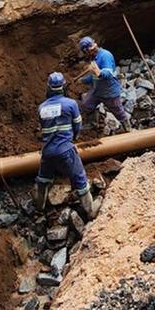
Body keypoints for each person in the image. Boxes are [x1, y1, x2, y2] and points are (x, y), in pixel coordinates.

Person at [34, 72, 99, 217]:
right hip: (65, 150)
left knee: (43, 179)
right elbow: (77, 125)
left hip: (47, 152)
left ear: (49, 88)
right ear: (63, 87)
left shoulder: (41, 108)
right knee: (79, 178)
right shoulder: (71, 104)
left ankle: (39, 207)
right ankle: (90, 210)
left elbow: (44, 129)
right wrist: (74, 137)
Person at [76, 36, 131, 130]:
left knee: (118, 111)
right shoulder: (94, 57)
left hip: (110, 92)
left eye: (85, 52)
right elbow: (94, 77)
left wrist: (99, 72)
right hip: (97, 91)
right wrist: (82, 80)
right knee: (86, 105)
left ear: (88, 50)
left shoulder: (105, 56)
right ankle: (92, 123)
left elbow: (108, 73)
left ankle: (127, 128)